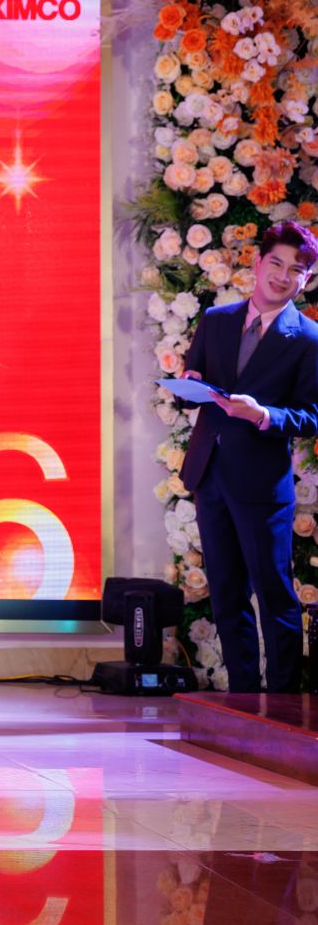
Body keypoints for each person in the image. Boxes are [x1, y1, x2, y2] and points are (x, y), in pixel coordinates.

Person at [178, 220, 318, 694]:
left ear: (306, 280)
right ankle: (240, 699)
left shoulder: (309, 338)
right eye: (276, 263)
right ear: (257, 264)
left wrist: (264, 415)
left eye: (295, 270)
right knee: (225, 593)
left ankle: (282, 704)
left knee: (274, 595)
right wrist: (189, 385)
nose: (282, 275)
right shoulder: (217, 320)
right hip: (209, 474)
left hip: (262, 483)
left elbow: (312, 416)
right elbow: (195, 386)